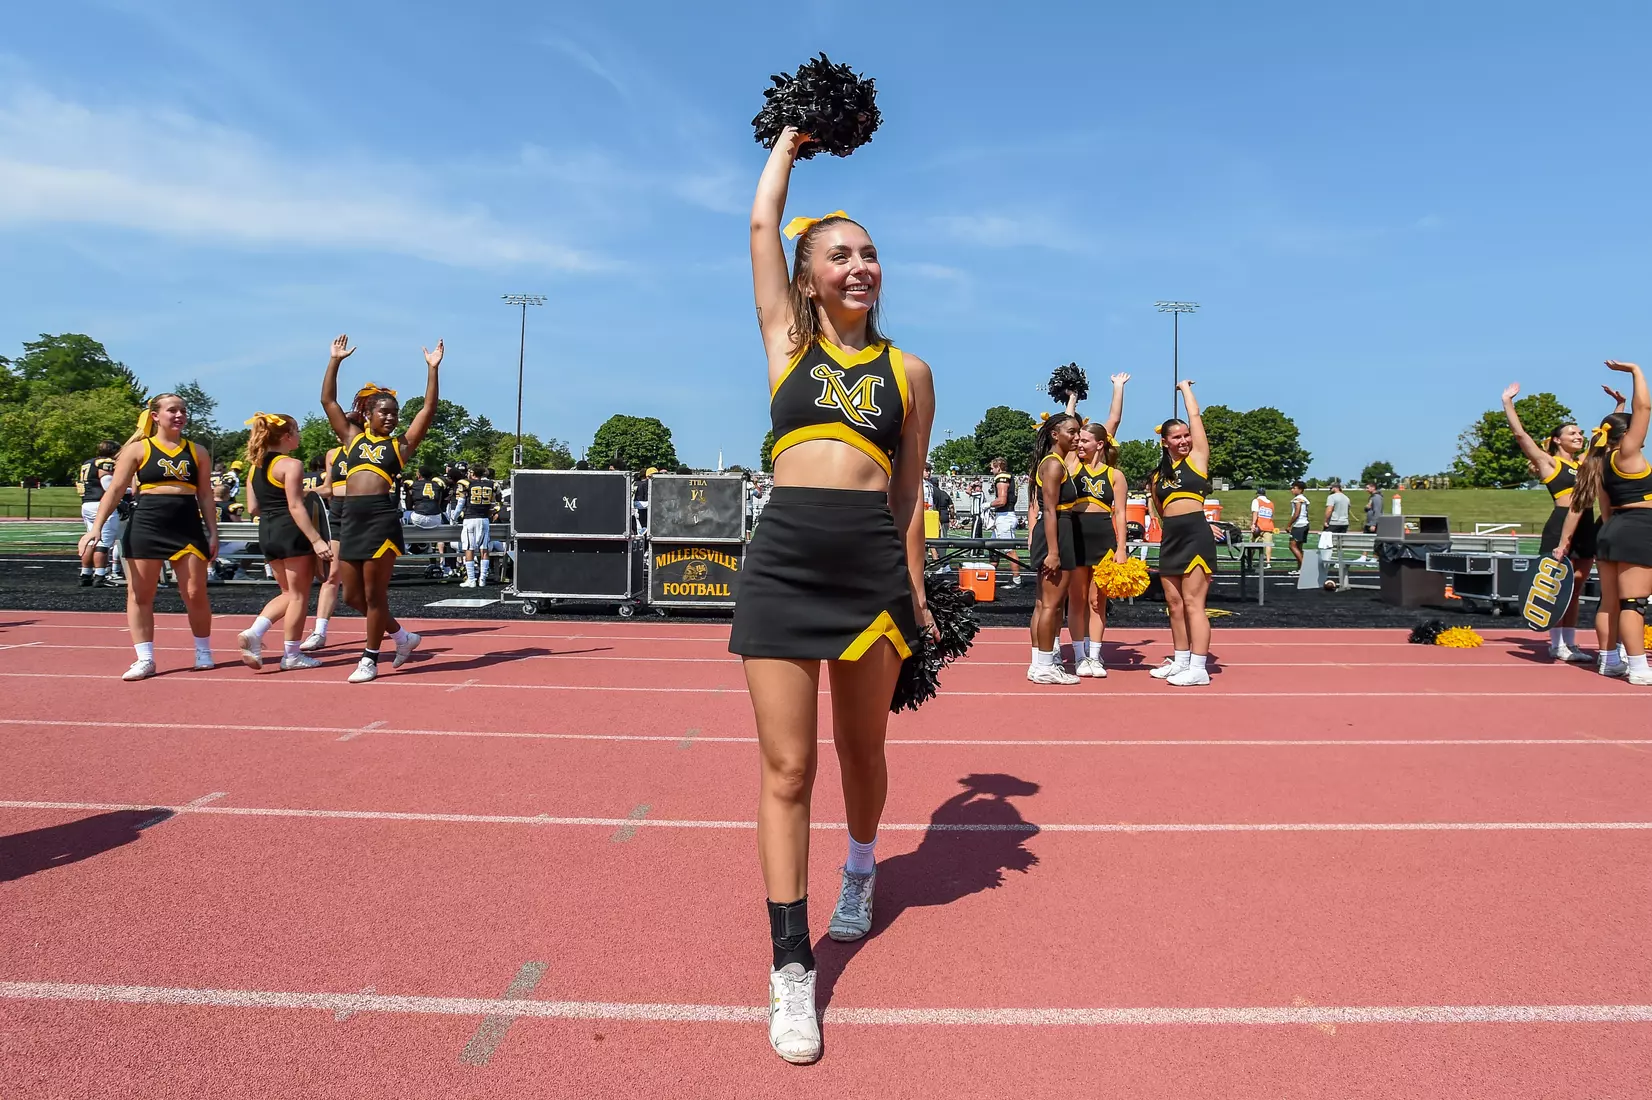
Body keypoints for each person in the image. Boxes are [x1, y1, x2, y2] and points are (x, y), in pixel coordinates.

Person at [736, 127, 936, 1065]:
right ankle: (790, 967)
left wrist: (917, 593)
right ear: (808, 279)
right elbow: (760, 224)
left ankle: (860, 867)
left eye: (870, 253)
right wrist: (788, 141)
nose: (860, 267)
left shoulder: (910, 372)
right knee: (787, 769)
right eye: (840, 256)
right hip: (783, 561)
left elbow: (909, 493)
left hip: (868, 568)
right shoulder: (786, 343)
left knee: (862, 750)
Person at [319, 333, 439, 684]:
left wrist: (432, 369)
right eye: (384, 412)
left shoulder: (400, 446)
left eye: (395, 413)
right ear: (368, 414)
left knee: (374, 596)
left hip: (380, 518)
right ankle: (402, 637)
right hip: (349, 518)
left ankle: (370, 658)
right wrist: (335, 361)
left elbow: (428, 410)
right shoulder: (352, 439)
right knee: (352, 596)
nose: (390, 417)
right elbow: (327, 400)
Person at [77, 393, 218, 680]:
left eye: (183, 410)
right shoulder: (138, 450)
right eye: (172, 410)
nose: (179, 415)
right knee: (140, 594)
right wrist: (95, 527)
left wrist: (213, 532)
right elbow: (115, 490)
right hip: (147, 523)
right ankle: (145, 658)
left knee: (194, 592)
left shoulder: (198, 451)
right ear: (155, 416)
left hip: (186, 525)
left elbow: (205, 493)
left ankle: (203, 651)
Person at [1504, 382, 1619, 663]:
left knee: (1576, 588)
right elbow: (1520, 435)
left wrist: (1619, 405)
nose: (1579, 436)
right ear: (1557, 440)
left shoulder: (1584, 464)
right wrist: (1507, 402)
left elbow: (1609, 437)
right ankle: (1556, 644)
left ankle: (1570, 643)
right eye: (1572, 433)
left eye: (1580, 433)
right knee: (1556, 588)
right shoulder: (1550, 464)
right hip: (1560, 525)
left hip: (1586, 524)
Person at [1563, 363, 1649, 682]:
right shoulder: (1627, 455)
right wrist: (1635, 371)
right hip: (1637, 526)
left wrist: (1618, 407)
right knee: (1634, 604)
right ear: (1626, 436)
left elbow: (1606, 509)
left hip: (1611, 529)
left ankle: (1610, 660)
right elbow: (1645, 408)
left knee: (1610, 601)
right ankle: (1638, 668)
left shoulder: (1598, 463)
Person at [235, 413, 333, 671]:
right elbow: (295, 506)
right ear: (287, 436)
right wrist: (316, 540)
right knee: (299, 596)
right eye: (297, 431)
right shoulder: (291, 464)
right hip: (291, 531)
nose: (299, 436)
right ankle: (291, 654)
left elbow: (253, 507)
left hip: (267, 531)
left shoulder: (254, 466)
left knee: (288, 593)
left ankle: (255, 632)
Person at [1148, 381, 1217, 686]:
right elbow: (1160, 510)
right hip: (1171, 538)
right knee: (1174, 604)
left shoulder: (1198, 458)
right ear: (1165, 442)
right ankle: (1181, 660)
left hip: (1195, 535)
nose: (1184, 440)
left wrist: (1185, 389)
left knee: (1193, 603)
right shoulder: (1157, 476)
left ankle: (1199, 668)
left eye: (1186, 435)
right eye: (1177, 437)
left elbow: (1196, 416)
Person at [1064, 421, 1130, 677]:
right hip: (1076, 537)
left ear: (1100, 444)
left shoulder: (1115, 475)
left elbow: (1120, 514)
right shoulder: (1072, 466)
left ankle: (1094, 655)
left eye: (1084, 440)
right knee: (1077, 600)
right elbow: (1067, 424)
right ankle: (1079, 656)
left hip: (1103, 540)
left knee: (1096, 601)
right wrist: (1071, 401)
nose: (1079, 444)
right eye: (1078, 439)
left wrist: (1121, 548)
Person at [1026, 413, 1081, 685]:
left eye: (1078, 431)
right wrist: (1054, 552)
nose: (1077, 437)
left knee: (1043, 603)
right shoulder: (1053, 465)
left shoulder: (1057, 462)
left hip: (1059, 530)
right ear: (1055, 435)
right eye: (1072, 432)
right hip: (1057, 531)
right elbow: (1048, 510)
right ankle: (1046, 665)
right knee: (1051, 604)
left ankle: (1039, 663)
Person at [301, 441, 350, 653]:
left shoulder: (370, 448)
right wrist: (302, 492)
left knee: (367, 579)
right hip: (338, 515)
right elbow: (328, 488)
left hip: (365, 515)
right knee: (332, 575)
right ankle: (319, 632)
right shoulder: (333, 454)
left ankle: (392, 630)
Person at [77, 440, 123, 587]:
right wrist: (127, 491)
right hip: (101, 504)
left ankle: (85, 574)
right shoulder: (105, 463)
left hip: (87, 503)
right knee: (103, 542)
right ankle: (100, 576)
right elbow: (108, 486)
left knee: (91, 540)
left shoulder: (88, 462)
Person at [460, 467, 499, 587]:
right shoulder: (492, 484)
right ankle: (482, 579)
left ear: (473, 474)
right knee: (484, 548)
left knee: (469, 548)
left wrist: (454, 517)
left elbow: (461, 503)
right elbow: (496, 502)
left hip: (470, 518)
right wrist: (490, 512)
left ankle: (471, 579)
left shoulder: (467, 484)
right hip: (484, 519)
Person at [987, 456, 1022, 585]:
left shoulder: (1002, 477)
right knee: (993, 547)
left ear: (998, 467)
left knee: (1009, 550)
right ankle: (989, 578)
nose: (991, 471)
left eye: (992, 468)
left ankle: (1017, 580)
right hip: (1003, 516)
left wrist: (988, 504)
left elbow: (1002, 500)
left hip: (1005, 517)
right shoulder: (1009, 477)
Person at [1286, 480, 1310, 573]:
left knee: (1292, 546)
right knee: (1299, 547)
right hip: (1305, 524)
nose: (1292, 490)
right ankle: (1300, 568)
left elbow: (1296, 513)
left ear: (1300, 489)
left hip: (1299, 525)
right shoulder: (1304, 499)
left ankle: (1304, 567)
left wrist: (1289, 525)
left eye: (1294, 488)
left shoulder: (1298, 499)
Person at [1249, 487, 1275, 565]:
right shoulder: (1271, 503)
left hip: (1258, 526)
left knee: (1252, 545)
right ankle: (1268, 562)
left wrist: (1253, 524)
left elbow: (1255, 513)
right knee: (1268, 545)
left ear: (1257, 494)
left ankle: (1249, 561)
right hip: (1268, 526)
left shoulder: (1256, 501)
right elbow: (1271, 515)